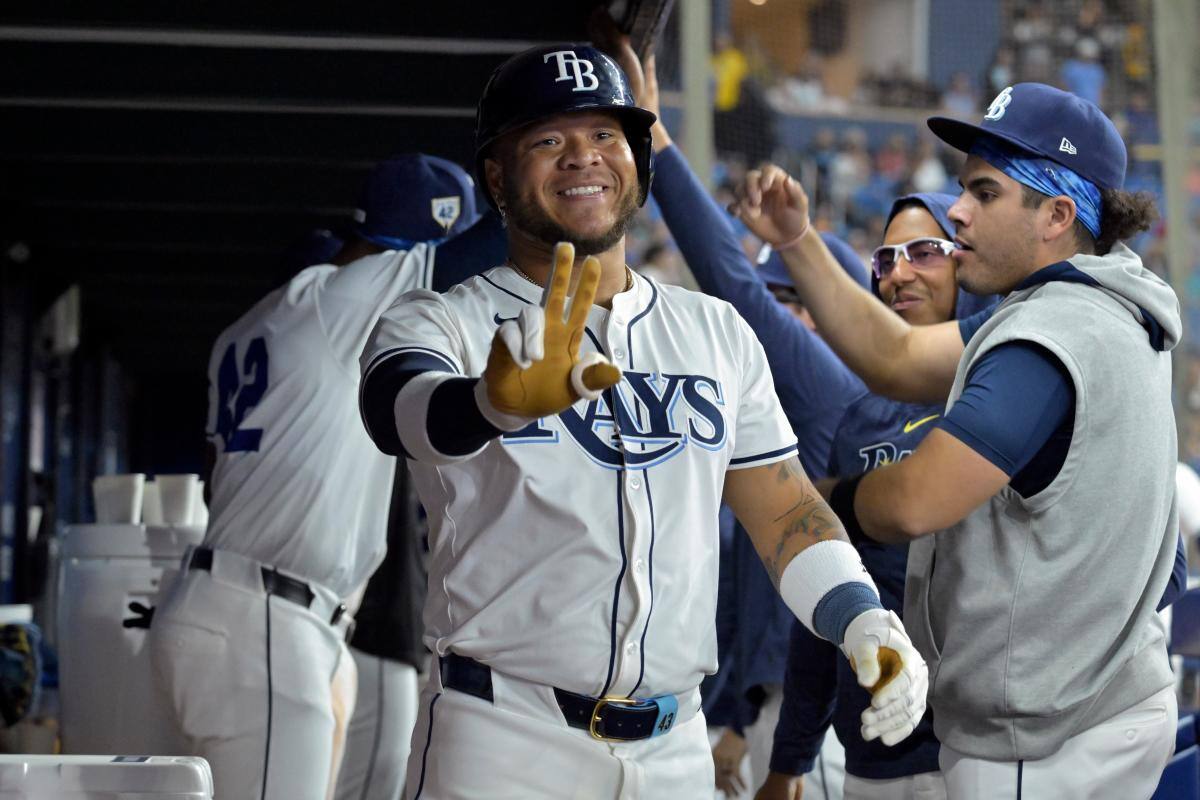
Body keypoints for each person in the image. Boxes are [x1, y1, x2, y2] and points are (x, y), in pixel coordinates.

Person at [357, 43, 928, 799]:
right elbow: (396, 411)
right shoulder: (443, 319)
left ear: (638, 160)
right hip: (501, 738)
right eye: (548, 140)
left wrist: (861, 617)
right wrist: (490, 402)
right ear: (496, 176)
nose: (582, 158)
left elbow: (786, 512)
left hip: (675, 750)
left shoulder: (714, 330)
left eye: (605, 136)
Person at [731, 83, 1178, 799]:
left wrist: (824, 501)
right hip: (1101, 701)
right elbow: (899, 358)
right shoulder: (1087, 301)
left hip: (1048, 735)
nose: (958, 210)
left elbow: (913, 502)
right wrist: (797, 244)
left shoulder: (1054, 332)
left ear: (1057, 214)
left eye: (984, 192)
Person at [148, 153, 479, 800]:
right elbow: (504, 244)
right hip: (267, 621)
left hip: (230, 608)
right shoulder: (351, 295)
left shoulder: (260, 319)